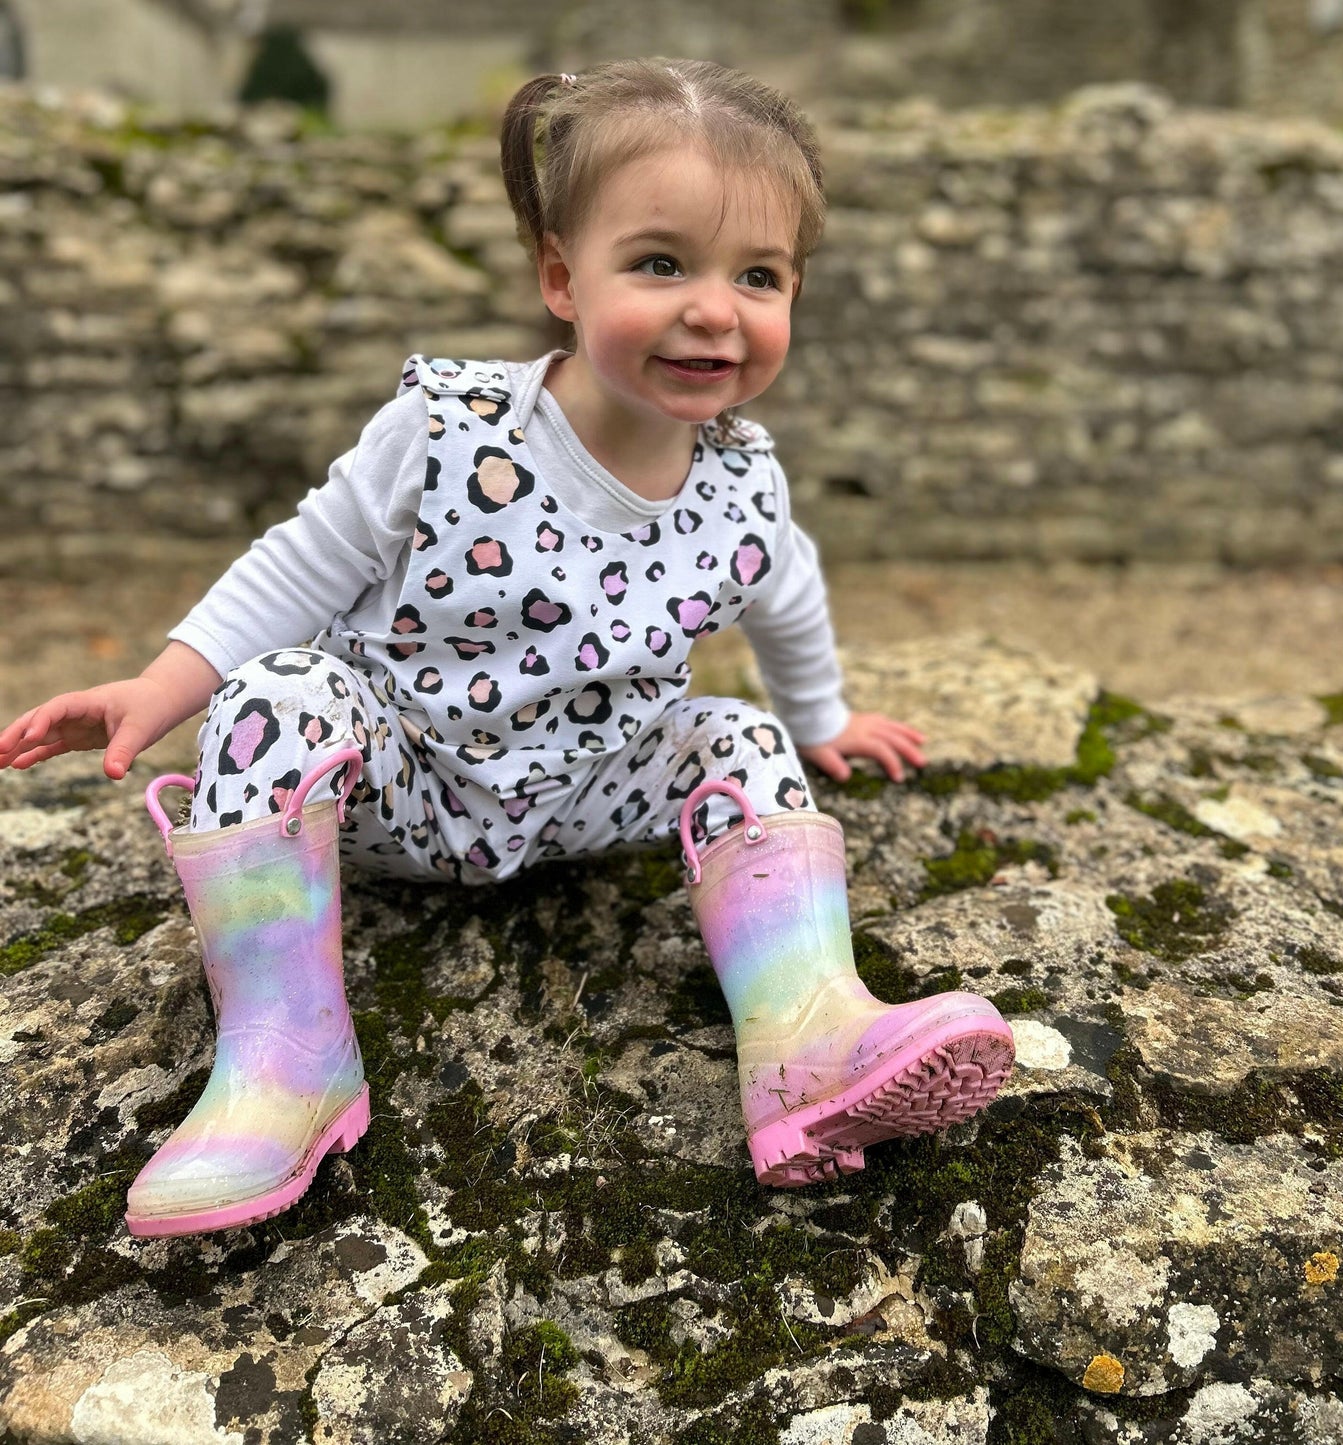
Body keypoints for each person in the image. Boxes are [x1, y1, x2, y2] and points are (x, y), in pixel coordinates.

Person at [0, 57, 1015, 1237]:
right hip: (398, 782)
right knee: (281, 694)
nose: (712, 308)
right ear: (559, 279)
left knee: (737, 732)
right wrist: (161, 685)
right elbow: (298, 562)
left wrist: (823, 713)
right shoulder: (445, 433)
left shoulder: (745, 482)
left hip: (587, 794)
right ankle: (286, 1063)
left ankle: (807, 1041)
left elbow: (787, 591)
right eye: (658, 262)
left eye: (759, 275)